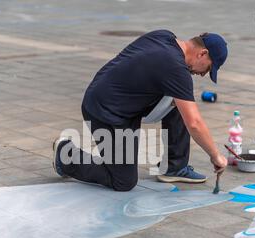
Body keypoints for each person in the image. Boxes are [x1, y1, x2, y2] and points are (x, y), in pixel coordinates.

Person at [52, 30, 228, 191]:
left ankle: (174, 167)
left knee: (182, 100)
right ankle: (66, 153)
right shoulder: (175, 68)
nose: (204, 73)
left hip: (120, 99)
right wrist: (215, 155)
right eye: (208, 68)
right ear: (203, 53)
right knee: (123, 181)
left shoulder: (164, 36)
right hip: (106, 112)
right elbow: (195, 124)